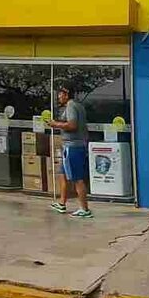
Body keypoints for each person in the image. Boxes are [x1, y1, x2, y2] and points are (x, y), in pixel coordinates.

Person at [49, 86, 91, 218]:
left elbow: (72, 125)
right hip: (72, 145)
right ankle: (62, 203)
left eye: (60, 94)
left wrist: (56, 124)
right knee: (62, 174)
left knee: (77, 178)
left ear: (66, 95)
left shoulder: (71, 106)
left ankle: (84, 209)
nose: (58, 97)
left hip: (73, 147)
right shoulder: (79, 105)